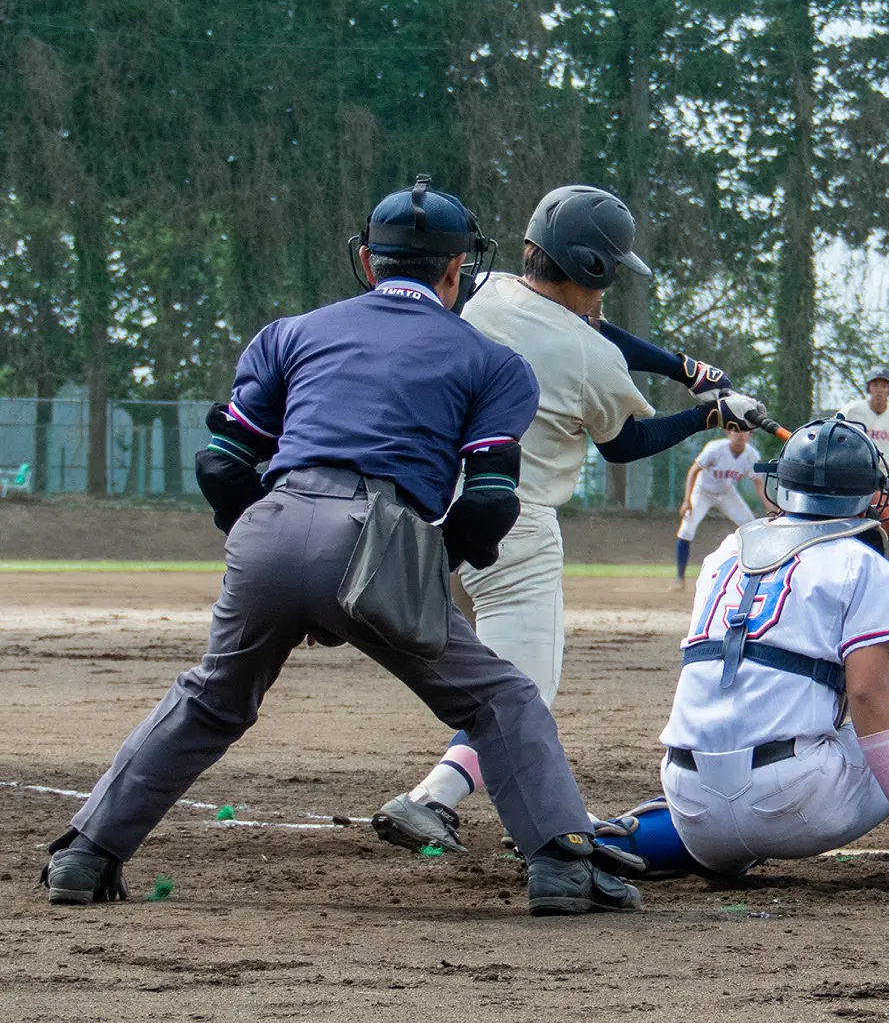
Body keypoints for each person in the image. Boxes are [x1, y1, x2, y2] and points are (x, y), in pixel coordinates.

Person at [41, 177, 639, 915]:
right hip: (378, 531)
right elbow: (488, 505)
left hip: (271, 523)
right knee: (502, 699)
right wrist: (417, 569)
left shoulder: (291, 333)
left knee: (211, 699)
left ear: (368, 262)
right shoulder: (489, 360)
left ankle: (83, 853)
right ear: (458, 271)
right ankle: (562, 868)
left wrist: (275, 547)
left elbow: (221, 463)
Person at [372, 184, 761, 854]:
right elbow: (625, 443)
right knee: (523, 687)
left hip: (424, 511)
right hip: (512, 528)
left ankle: (443, 792)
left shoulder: (481, 288)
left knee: (486, 670)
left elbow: (587, 329)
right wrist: (709, 414)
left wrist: (683, 368)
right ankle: (436, 798)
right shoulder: (593, 360)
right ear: (593, 268)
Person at [588, 417, 889, 893]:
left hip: (690, 803)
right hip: (793, 804)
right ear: (872, 494)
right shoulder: (863, 563)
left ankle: (611, 839)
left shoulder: (725, 551)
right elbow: (866, 694)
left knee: (728, 774)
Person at [673, 429, 766, 587]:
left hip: (727, 493)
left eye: (744, 431)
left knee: (751, 527)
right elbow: (693, 471)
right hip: (702, 492)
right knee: (686, 530)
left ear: (750, 434)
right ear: (728, 433)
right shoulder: (715, 448)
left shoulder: (752, 455)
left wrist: (770, 506)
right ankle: (679, 579)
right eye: (736, 430)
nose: (740, 434)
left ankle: (758, 574)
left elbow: (758, 484)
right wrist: (687, 499)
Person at [840, 366, 889, 490]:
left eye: (884, 386)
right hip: (854, 471)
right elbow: (834, 430)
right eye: (875, 385)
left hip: (882, 474)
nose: (879, 390)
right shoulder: (852, 410)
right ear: (869, 387)